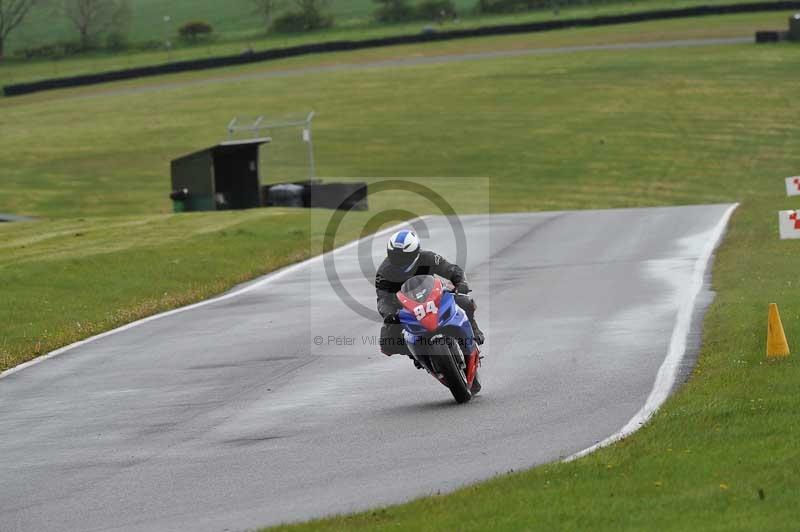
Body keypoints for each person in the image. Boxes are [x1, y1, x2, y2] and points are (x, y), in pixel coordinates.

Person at [375, 230, 484, 359]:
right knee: (387, 342)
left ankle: (473, 328)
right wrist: (389, 314)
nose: (398, 260)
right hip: (406, 307)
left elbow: (452, 270)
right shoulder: (384, 272)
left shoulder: (428, 257)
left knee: (464, 301)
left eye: (403, 256)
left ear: (415, 252)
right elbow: (383, 299)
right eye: (394, 255)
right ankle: (416, 354)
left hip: (434, 296)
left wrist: (461, 283)